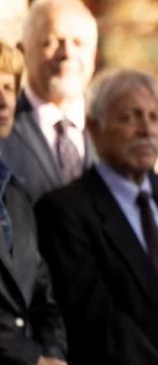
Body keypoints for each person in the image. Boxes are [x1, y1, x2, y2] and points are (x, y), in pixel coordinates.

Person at [35, 70, 158, 365]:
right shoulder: (66, 212)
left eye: (154, 118)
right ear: (93, 127)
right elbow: (96, 320)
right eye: (130, 117)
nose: (146, 130)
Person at [0, 42, 68, 365]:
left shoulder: (15, 192)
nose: (3, 101)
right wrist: (32, 359)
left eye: (9, 88)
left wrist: (53, 353)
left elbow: (43, 293)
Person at [1, 0, 98, 201]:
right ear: (22, 51)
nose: (67, 53)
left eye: (79, 43)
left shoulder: (112, 128)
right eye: (52, 42)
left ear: (94, 53)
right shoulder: (4, 127)